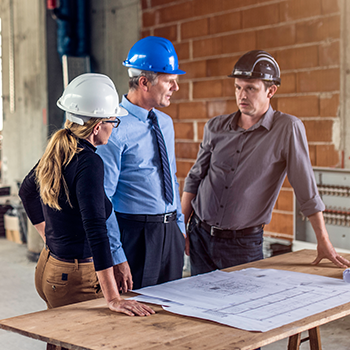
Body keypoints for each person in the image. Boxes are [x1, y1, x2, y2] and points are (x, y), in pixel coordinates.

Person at [181, 50, 350, 276]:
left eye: (251, 88)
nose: (242, 95)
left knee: (243, 309)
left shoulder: (287, 128)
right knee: (199, 306)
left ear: (271, 90)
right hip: (199, 235)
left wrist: (323, 240)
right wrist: (181, 228)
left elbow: (306, 189)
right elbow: (195, 178)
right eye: (238, 87)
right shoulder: (215, 127)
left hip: (242, 245)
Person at [19, 73, 154, 325]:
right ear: (97, 127)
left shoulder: (59, 148)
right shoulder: (89, 162)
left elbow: (27, 191)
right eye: (113, 121)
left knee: (60, 341)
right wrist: (113, 298)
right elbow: (96, 230)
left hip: (49, 267)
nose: (114, 126)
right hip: (74, 277)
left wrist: (48, 235)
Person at [97, 36, 186, 290]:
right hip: (135, 236)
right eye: (169, 81)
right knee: (137, 318)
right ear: (145, 82)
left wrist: (179, 227)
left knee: (173, 313)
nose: (175, 87)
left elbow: (173, 176)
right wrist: (116, 254)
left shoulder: (165, 123)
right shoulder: (113, 128)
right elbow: (103, 198)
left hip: (170, 235)